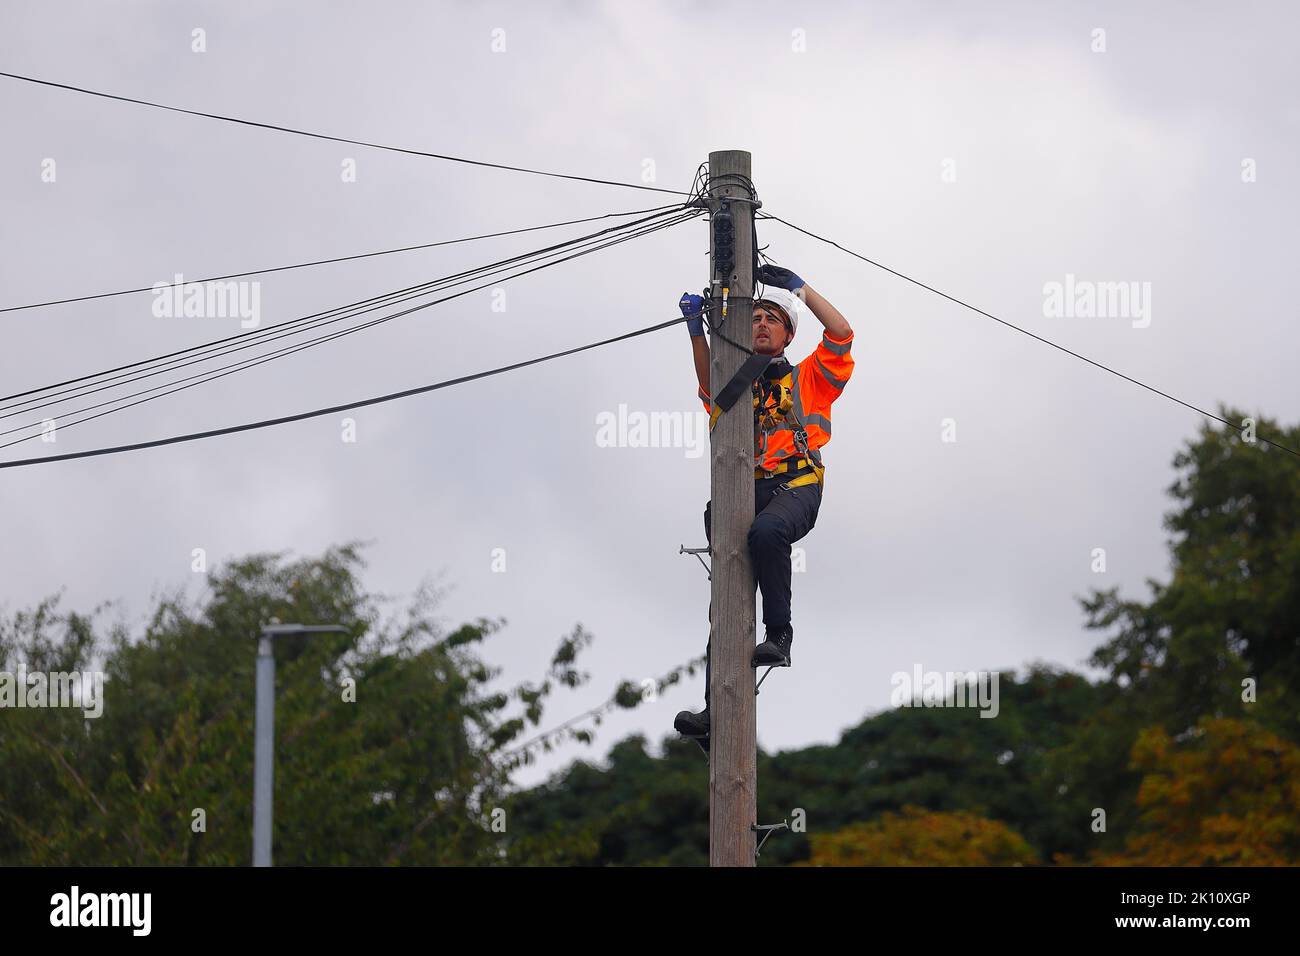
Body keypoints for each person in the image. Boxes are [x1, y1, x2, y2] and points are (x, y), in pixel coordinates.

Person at [673, 265, 854, 749]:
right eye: (753, 318)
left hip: (797, 484)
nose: (761, 325)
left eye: (772, 319)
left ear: (789, 333)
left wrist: (796, 287)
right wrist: (696, 330)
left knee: (768, 535)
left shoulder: (810, 377)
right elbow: (712, 387)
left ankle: (780, 636)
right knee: (727, 597)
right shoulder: (740, 384)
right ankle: (715, 711)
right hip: (743, 488)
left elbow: (840, 332)